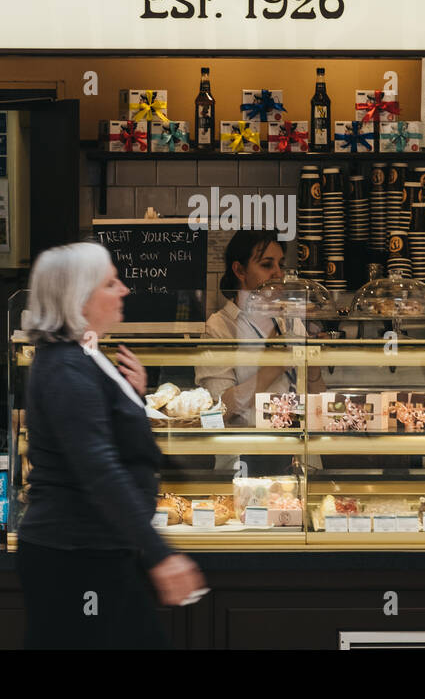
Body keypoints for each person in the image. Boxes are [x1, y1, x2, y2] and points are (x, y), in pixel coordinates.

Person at [16, 241, 205, 649]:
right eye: (110, 283)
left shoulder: (84, 357)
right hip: (75, 555)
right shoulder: (67, 368)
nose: (124, 290)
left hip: (93, 548)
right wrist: (160, 554)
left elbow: (111, 442)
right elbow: (99, 469)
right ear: (79, 298)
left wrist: (130, 396)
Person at [196, 230, 317, 425]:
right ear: (240, 271)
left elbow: (317, 395)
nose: (278, 273)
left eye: (281, 264)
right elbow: (216, 413)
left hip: (296, 446)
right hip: (247, 450)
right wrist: (274, 367)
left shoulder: (290, 320)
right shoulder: (218, 328)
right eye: (267, 265)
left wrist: (315, 367)